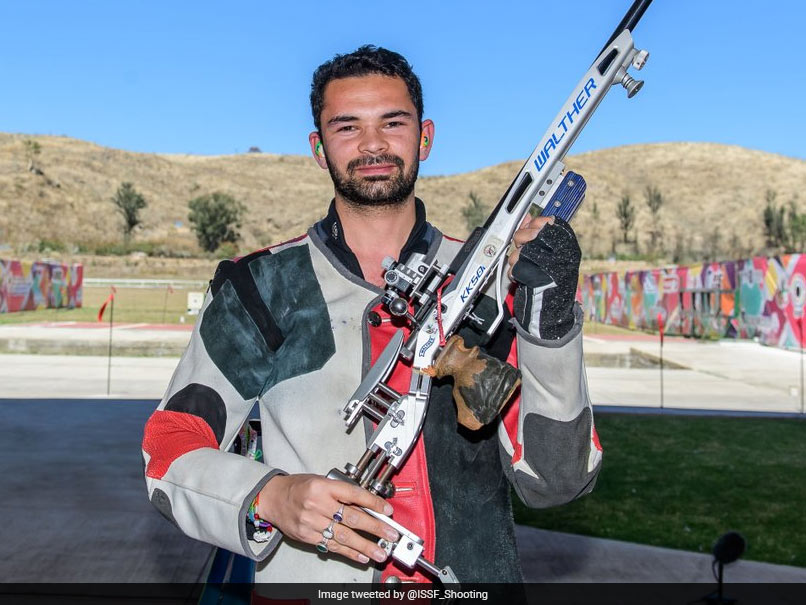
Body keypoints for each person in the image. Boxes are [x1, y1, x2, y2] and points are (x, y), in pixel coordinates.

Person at [141, 45, 602, 584]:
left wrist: (546, 323)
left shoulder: (491, 283)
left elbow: (557, 479)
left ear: (424, 137)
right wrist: (272, 495)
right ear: (319, 148)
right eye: (347, 127)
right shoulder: (260, 288)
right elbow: (170, 447)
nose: (373, 144)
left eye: (392, 122)